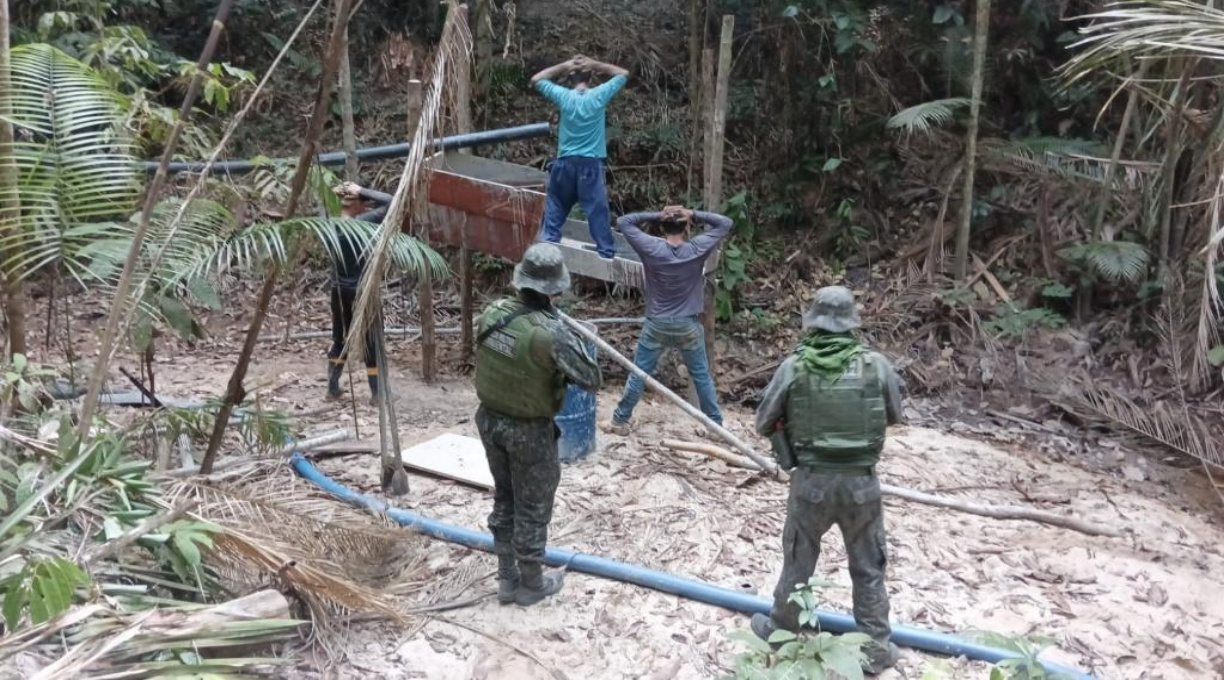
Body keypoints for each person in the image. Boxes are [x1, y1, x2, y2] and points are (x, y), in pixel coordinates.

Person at [752, 286, 905, 675]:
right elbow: (892, 413)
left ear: (814, 321)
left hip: (811, 483)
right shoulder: (876, 365)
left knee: (798, 560)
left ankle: (781, 631)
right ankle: (875, 650)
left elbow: (763, 421)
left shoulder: (794, 366)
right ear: (852, 321)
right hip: (861, 484)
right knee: (868, 565)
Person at [474, 243, 602, 606]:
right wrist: (565, 335)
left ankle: (507, 576)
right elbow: (591, 377)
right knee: (533, 505)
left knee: (506, 496)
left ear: (520, 282)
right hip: (528, 431)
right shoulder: (551, 333)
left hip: (490, 420)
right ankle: (531, 583)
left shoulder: (492, 313)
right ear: (556, 290)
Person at [601, 205, 732, 435]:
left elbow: (624, 221)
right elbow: (725, 223)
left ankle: (620, 421)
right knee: (702, 377)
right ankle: (715, 427)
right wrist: (694, 214)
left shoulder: (652, 248)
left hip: (657, 323)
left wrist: (655, 214)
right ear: (686, 227)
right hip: (688, 325)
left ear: (662, 227)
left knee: (639, 374)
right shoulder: (696, 248)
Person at [531, 54, 629, 259]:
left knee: (555, 206)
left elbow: (537, 79)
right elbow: (623, 74)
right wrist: (596, 63)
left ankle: (548, 245)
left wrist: (564, 65)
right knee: (597, 211)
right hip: (591, 165)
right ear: (591, 77)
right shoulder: (599, 95)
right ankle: (605, 251)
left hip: (565, 163)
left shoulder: (564, 96)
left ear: (571, 79)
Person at [326, 181, 392, 404]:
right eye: (362, 203)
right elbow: (391, 201)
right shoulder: (362, 223)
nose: (365, 207)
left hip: (337, 291)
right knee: (371, 341)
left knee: (340, 339)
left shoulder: (330, 225)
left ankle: (332, 388)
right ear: (354, 204)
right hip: (360, 292)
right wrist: (361, 190)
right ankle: (377, 393)